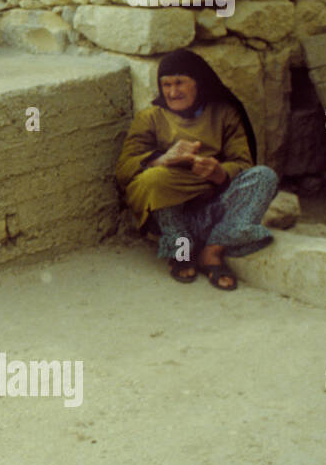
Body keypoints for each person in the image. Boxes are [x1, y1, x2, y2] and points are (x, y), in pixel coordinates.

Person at [115, 49, 279, 290]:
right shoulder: (150, 118)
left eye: (180, 83)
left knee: (265, 176)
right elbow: (124, 169)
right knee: (155, 179)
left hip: (215, 211)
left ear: (198, 84)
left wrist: (218, 172)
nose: (172, 92)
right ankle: (181, 248)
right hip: (171, 216)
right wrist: (163, 159)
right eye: (166, 85)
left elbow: (244, 164)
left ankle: (212, 250)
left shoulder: (223, 113)